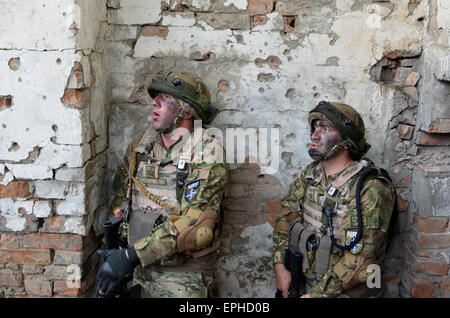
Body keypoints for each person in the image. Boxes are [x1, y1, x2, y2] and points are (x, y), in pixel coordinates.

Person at [97, 70, 229, 298]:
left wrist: (131, 256)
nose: (155, 103)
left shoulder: (207, 153)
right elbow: (121, 202)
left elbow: (197, 226)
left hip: (182, 280)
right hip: (138, 273)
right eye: (156, 97)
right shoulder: (141, 147)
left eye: (165, 99)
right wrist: (116, 254)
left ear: (185, 111)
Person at [273, 101, 397, 298]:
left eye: (325, 128)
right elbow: (286, 216)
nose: (315, 135)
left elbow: (362, 259)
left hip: (345, 291)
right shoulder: (311, 174)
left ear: (347, 140)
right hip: (306, 282)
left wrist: (318, 295)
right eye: (315, 127)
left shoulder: (370, 187)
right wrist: (280, 265)